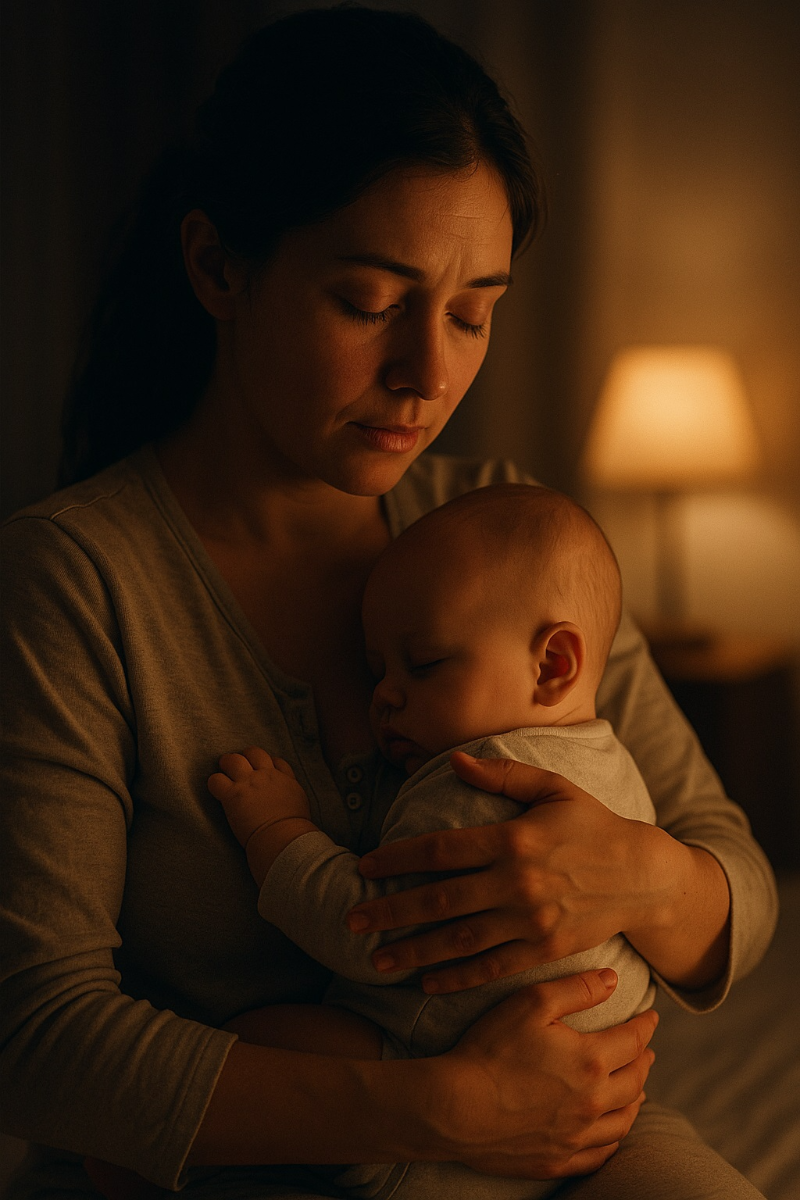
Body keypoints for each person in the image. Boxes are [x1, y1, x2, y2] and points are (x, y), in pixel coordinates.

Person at [0, 7, 775, 1199]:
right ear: (218, 267)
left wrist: (639, 879)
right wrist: (450, 1107)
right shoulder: (78, 581)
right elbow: (38, 1040)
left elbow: (733, 875)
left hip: (574, 1148)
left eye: (473, 312)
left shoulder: (507, 532)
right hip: (261, 1164)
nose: (430, 373)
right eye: (371, 302)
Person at [209, 482, 661, 1200]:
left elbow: (369, 935)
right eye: (377, 669)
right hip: (580, 1122)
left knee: (249, 1042)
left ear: (553, 665)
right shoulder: (618, 774)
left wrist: (277, 829)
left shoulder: (473, 788)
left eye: (421, 665)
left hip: (437, 1108)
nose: (384, 695)